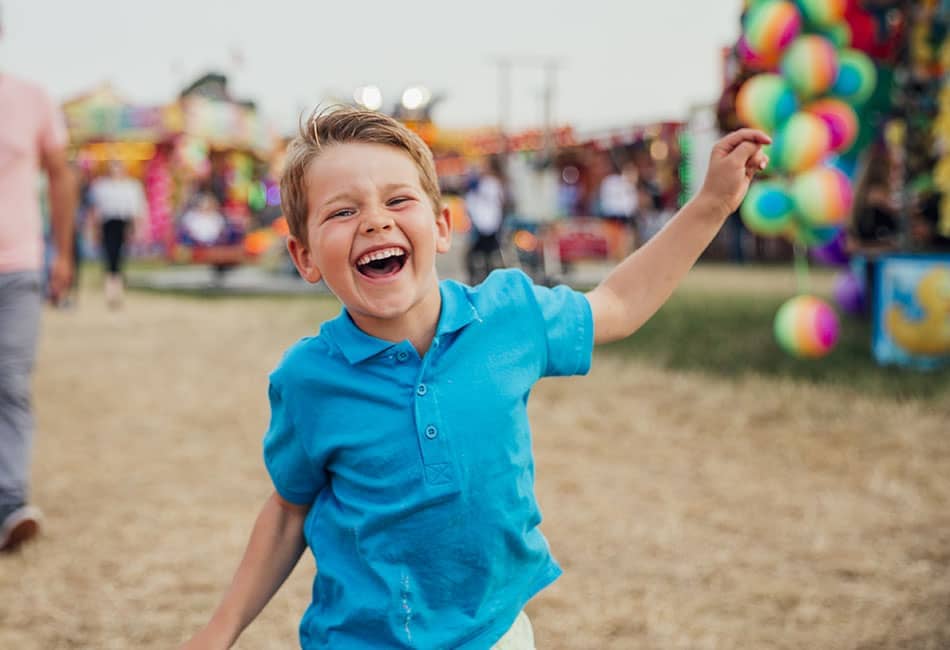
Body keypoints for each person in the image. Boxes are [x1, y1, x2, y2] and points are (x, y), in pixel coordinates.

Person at [180, 107, 769, 649]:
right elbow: (289, 512)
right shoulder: (308, 380)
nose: (375, 222)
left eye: (396, 200)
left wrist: (711, 204)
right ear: (305, 256)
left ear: (441, 227)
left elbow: (618, 305)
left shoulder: (509, 314)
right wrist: (219, 631)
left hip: (495, 634)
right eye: (342, 211)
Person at [0, 5, 77, 551]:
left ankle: (9, 501)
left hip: (17, 264)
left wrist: (64, 252)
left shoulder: (31, 97)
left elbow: (59, 173)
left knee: (9, 382)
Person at [88, 160, 147, 308]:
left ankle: (118, 292)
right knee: (109, 259)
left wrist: (137, 228)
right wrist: (94, 230)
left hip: (123, 224)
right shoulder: (101, 187)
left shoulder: (131, 187)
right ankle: (110, 293)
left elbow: (137, 210)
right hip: (108, 225)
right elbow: (96, 211)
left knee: (120, 260)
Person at [464, 155, 507, 284]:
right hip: (489, 223)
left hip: (485, 223)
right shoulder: (495, 182)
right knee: (486, 254)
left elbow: (480, 203)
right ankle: (486, 280)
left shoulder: (489, 183)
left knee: (477, 254)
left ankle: (480, 279)